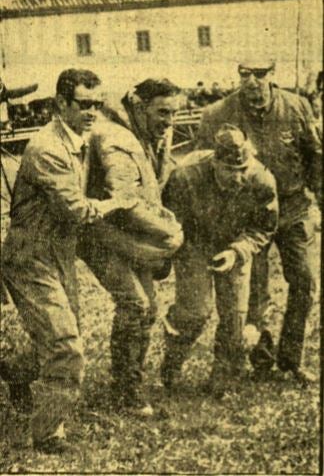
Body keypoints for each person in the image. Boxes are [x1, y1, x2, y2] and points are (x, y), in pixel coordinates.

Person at [1, 68, 136, 453]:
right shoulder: (48, 148)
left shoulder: (80, 139)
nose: (93, 112)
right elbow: (77, 210)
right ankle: (47, 433)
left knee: (60, 335)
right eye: (84, 104)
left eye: (98, 104)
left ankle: (12, 372)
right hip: (30, 259)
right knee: (65, 345)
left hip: (58, 255)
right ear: (62, 104)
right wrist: (118, 203)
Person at [197, 60, 322, 385]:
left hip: (294, 208)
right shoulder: (217, 114)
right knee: (255, 289)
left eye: (260, 74)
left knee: (305, 283)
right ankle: (261, 359)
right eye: (245, 74)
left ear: (273, 74)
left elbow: (315, 159)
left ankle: (291, 359)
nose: (252, 82)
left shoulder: (297, 106)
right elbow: (202, 169)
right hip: (249, 216)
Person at [78, 78, 184, 416]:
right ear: (139, 105)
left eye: (173, 113)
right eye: (162, 112)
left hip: (128, 235)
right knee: (136, 305)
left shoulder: (145, 134)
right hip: (101, 235)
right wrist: (168, 233)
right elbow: (125, 201)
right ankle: (126, 392)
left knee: (148, 308)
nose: (168, 121)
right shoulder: (114, 138)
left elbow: (151, 189)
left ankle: (129, 383)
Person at [160, 124, 278, 398]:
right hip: (195, 243)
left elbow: (264, 227)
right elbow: (170, 222)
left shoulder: (261, 180)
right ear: (214, 162)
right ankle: (173, 363)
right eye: (229, 171)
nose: (237, 178)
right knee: (195, 311)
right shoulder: (185, 177)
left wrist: (237, 251)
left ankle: (224, 380)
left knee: (235, 317)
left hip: (235, 245)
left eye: (242, 171)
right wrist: (183, 252)